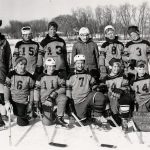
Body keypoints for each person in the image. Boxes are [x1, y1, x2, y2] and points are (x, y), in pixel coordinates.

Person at [66, 54, 107, 128]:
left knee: (100, 96)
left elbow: (93, 85)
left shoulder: (88, 74)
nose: (80, 65)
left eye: (82, 63)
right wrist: (69, 101)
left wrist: (98, 88)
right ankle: (88, 114)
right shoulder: (71, 76)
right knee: (80, 123)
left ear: (84, 64)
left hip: (88, 97)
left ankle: (97, 116)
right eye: (78, 63)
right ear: (75, 64)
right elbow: (68, 89)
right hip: (77, 101)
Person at [34, 57, 69, 127]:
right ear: (46, 67)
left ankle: (59, 117)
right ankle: (53, 113)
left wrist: (54, 93)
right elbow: (36, 90)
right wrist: (36, 102)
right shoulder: (41, 77)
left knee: (63, 98)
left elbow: (63, 87)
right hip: (45, 101)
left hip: (54, 98)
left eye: (53, 66)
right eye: (49, 66)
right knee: (47, 123)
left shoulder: (58, 75)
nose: (51, 68)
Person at [101, 58, 131, 131]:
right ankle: (113, 114)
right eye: (114, 66)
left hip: (120, 98)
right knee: (115, 123)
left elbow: (127, 87)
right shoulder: (106, 78)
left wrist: (121, 90)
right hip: (111, 100)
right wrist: (107, 106)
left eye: (118, 67)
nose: (116, 68)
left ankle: (124, 119)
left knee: (126, 97)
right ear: (111, 67)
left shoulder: (122, 76)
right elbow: (103, 93)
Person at [4, 56, 35, 126]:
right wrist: (6, 101)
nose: (23, 66)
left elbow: (32, 91)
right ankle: (2, 117)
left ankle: (28, 113)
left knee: (21, 123)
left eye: (24, 64)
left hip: (22, 100)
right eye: (21, 64)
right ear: (16, 65)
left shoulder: (29, 76)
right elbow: (6, 88)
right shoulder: (11, 74)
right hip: (12, 98)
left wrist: (30, 103)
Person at [0, 22, 12, 129]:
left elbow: (9, 57)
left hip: (2, 71)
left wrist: (9, 71)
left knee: (2, 94)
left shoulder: (4, 42)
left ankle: (3, 114)